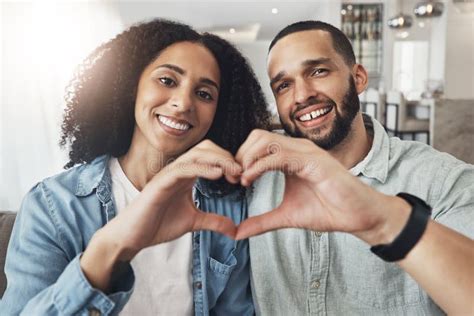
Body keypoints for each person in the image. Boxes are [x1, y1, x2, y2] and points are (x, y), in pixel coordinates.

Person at [0, 19, 270, 315]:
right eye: (167, 80)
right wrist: (110, 248)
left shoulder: (227, 208)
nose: (183, 103)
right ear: (132, 86)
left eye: (204, 94)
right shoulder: (52, 206)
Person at [234, 21, 474, 315]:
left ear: (358, 77)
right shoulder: (256, 171)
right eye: (284, 86)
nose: (302, 95)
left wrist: (386, 221)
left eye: (318, 71)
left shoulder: (442, 182)